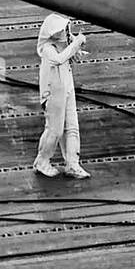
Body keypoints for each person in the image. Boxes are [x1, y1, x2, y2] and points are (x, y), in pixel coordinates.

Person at [33, 13, 91, 179]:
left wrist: (77, 48)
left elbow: (69, 51)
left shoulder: (62, 44)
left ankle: (73, 163)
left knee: (72, 126)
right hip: (53, 92)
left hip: (66, 87)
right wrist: (76, 44)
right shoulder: (48, 49)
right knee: (55, 130)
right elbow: (59, 59)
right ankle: (42, 161)